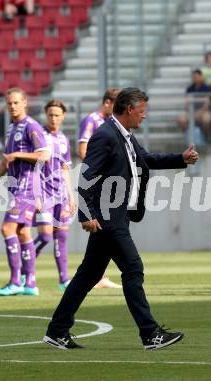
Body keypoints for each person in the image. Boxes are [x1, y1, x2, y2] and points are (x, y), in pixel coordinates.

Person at [43, 87, 199, 350]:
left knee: (88, 275)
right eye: (141, 112)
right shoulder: (105, 135)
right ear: (129, 110)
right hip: (107, 217)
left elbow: (146, 160)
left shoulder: (123, 135)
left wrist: (180, 159)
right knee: (133, 267)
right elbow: (86, 177)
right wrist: (86, 214)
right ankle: (150, 334)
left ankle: (57, 330)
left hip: (118, 215)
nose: (144, 117)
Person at [0, 87, 50, 296]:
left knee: (7, 229)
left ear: (25, 102)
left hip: (26, 188)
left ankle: (15, 281)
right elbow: (6, 161)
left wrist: (18, 154)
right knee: (22, 232)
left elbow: (44, 155)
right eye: (9, 103)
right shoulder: (11, 129)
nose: (12, 106)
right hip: (16, 186)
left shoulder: (31, 126)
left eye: (16, 102)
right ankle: (31, 283)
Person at [78, 87, 122, 289]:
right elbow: (82, 150)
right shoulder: (92, 120)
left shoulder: (110, 124)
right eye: (117, 105)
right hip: (95, 182)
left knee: (103, 230)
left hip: (107, 182)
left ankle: (98, 275)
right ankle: (96, 276)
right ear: (107, 103)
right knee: (102, 226)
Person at [33, 100, 76, 291]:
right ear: (45, 114)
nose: (53, 118)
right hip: (43, 194)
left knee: (62, 238)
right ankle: (25, 272)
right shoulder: (38, 135)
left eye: (57, 115)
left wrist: (71, 196)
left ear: (63, 116)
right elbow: (33, 167)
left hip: (61, 196)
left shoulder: (64, 139)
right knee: (45, 237)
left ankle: (64, 280)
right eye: (50, 114)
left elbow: (65, 169)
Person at [176, 69, 211, 144]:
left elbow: (206, 104)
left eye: (196, 76)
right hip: (191, 112)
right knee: (180, 119)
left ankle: (205, 138)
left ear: (201, 77)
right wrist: (192, 113)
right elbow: (187, 104)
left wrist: (197, 113)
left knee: (206, 120)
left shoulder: (206, 88)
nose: (195, 78)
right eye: (193, 77)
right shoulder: (189, 89)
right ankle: (189, 138)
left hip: (203, 112)